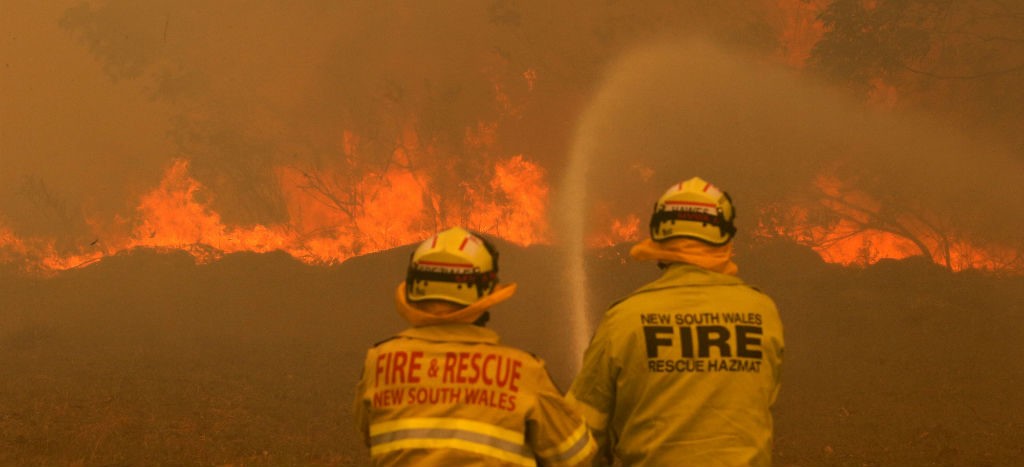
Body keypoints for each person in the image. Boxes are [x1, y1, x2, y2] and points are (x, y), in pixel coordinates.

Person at [567, 177, 785, 466]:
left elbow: (580, 436)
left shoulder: (625, 320)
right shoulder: (762, 315)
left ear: (659, 233)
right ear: (725, 235)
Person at [353, 226, 597, 467]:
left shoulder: (380, 363)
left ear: (415, 290)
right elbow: (577, 457)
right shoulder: (523, 372)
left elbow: (371, 436)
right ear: (486, 297)